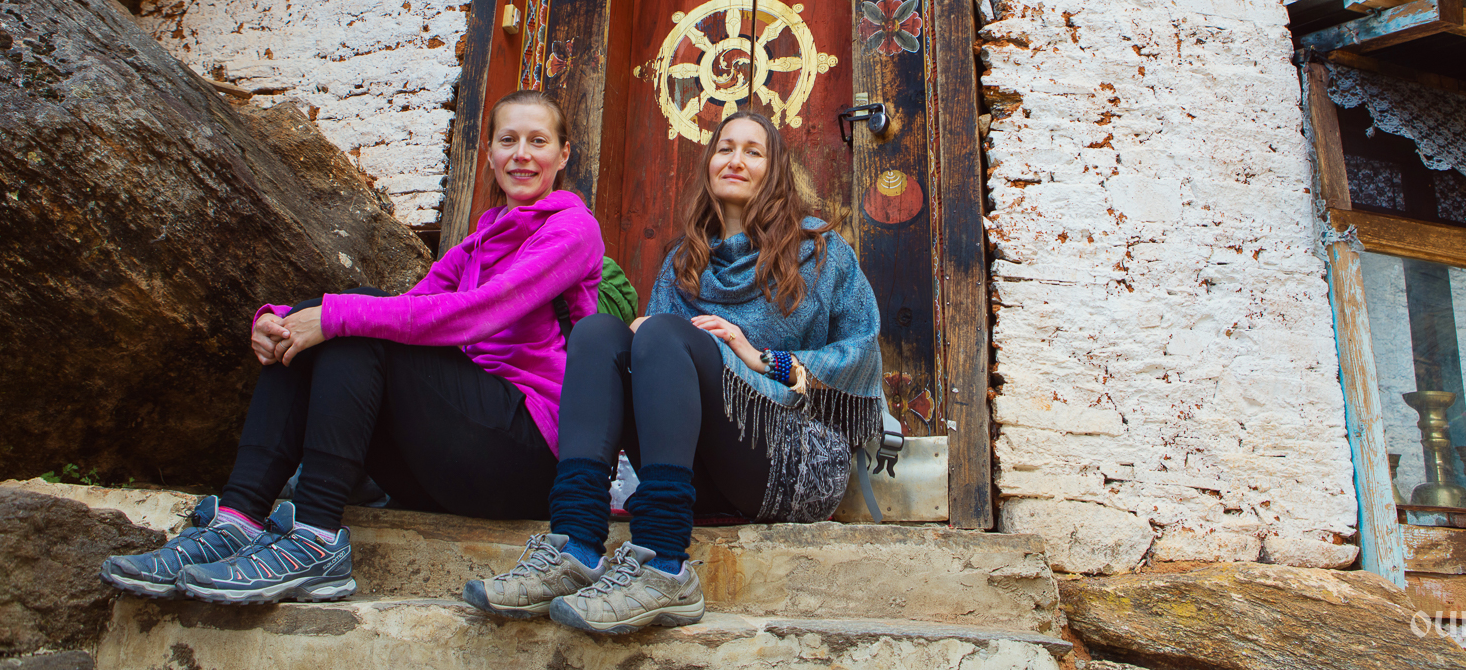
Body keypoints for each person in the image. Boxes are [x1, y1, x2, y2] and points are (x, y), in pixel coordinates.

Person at [100, 90, 602, 605]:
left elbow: (477, 313)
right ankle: (235, 522)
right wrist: (279, 321)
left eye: (538, 141)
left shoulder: (573, 228)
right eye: (508, 140)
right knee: (343, 321)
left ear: (563, 154)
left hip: (530, 457)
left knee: (352, 317)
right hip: (456, 452)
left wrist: (332, 316)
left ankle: (316, 539)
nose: (522, 154)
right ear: (490, 153)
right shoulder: (474, 244)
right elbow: (405, 310)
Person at [464, 110, 885, 635]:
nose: (735, 160)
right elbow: (652, 373)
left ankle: (665, 566)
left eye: (753, 152)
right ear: (709, 164)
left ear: (775, 170)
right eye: (724, 148)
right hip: (692, 477)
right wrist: (644, 333)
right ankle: (574, 547)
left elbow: (863, 355)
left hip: (795, 463)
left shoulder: (820, 251)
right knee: (599, 334)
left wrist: (757, 357)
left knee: (664, 333)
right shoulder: (685, 261)